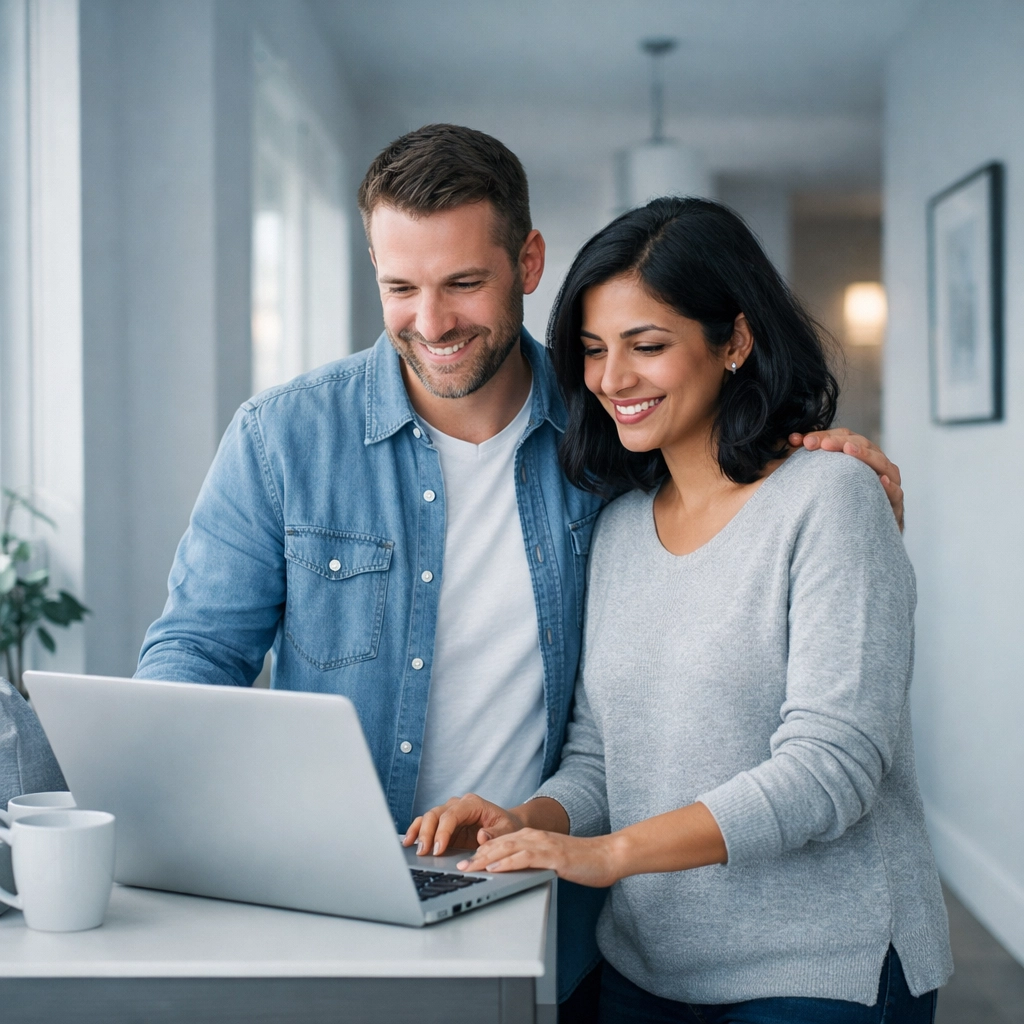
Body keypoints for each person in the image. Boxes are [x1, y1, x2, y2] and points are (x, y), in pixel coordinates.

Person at [137, 126, 906, 1017]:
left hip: (561, 921)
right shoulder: (283, 438)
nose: (432, 323)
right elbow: (195, 651)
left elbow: (740, 490)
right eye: (399, 287)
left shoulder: (610, 444)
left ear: (529, 262)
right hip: (345, 901)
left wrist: (828, 462)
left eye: (465, 282)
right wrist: (169, 817)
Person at [407, 197, 952, 1023]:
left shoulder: (833, 498)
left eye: (647, 345)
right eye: (592, 351)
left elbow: (832, 768)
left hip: (821, 964)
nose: (612, 379)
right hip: (653, 969)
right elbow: (602, 757)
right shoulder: (622, 528)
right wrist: (527, 821)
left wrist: (607, 855)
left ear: (734, 340)